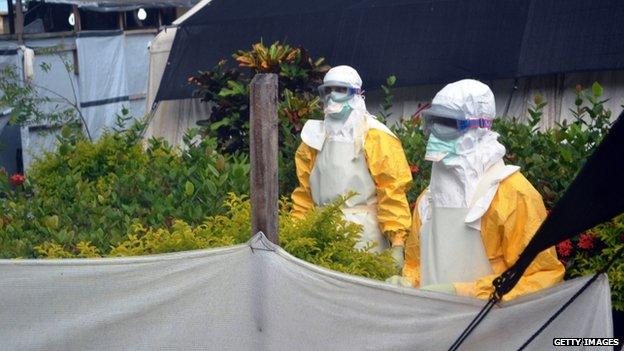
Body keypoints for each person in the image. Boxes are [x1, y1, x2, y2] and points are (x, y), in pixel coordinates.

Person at [401, 79, 565, 301]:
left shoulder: (512, 193)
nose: (436, 132)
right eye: (433, 121)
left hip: (492, 327)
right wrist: (408, 281)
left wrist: (467, 293)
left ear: (480, 127)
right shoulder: (428, 199)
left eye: (449, 123)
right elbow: (416, 262)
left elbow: (541, 276)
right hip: (434, 324)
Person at [291, 65, 412, 271]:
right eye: (327, 91)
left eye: (340, 90)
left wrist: (398, 242)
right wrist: (296, 233)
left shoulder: (377, 136)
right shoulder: (313, 138)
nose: (332, 96)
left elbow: (392, 191)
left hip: (366, 239)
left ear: (357, 94)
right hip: (320, 234)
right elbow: (304, 195)